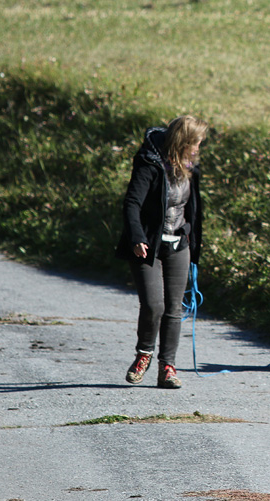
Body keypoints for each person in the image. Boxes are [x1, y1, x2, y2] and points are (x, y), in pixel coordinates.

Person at [115, 115, 208, 389]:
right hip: (148, 245)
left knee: (174, 309)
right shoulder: (149, 163)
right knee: (154, 305)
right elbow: (132, 202)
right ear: (183, 142)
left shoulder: (191, 167)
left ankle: (167, 367)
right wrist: (137, 236)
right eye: (195, 143)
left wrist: (192, 237)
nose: (198, 149)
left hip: (179, 243)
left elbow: (194, 207)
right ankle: (144, 354)